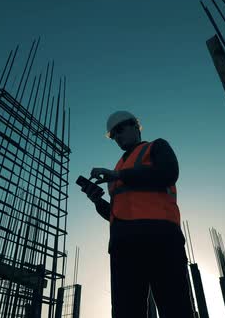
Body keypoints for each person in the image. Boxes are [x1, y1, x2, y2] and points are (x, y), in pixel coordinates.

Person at [80, 110, 195, 318]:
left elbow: (168, 173)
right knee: (126, 312)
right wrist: (97, 201)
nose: (117, 137)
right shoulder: (118, 167)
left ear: (135, 126)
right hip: (123, 247)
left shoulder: (156, 147)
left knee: (175, 308)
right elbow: (119, 213)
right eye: (113, 135)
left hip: (161, 240)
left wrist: (117, 175)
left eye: (120, 130)